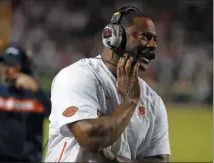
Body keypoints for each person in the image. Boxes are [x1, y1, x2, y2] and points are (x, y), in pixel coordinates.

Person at [45, 6, 170, 162]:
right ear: (116, 36)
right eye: (145, 36)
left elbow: (160, 160)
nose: (152, 45)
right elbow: (90, 138)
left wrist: (116, 161)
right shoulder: (76, 76)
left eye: (155, 40)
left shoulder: (153, 100)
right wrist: (130, 102)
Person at [0, 39, 51, 162]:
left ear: (23, 68)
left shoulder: (38, 97)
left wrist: (37, 91)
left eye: (11, 64)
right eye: (4, 63)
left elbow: (58, 119)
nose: (5, 69)